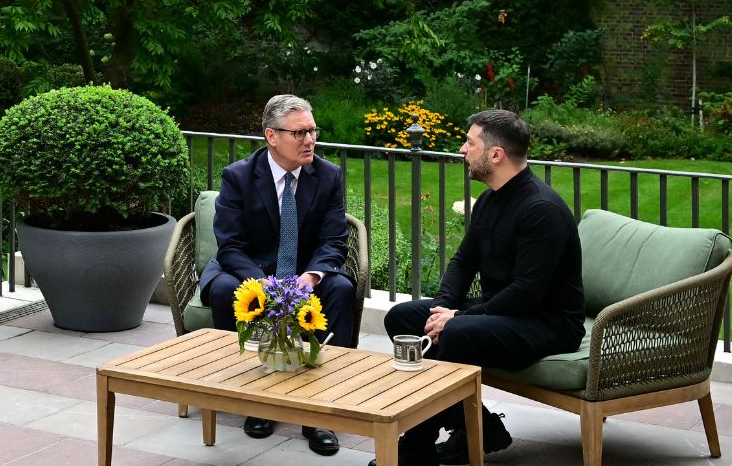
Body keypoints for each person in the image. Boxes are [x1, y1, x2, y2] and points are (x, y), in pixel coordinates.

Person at [372, 109, 585, 466]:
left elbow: (527, 292)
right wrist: (440, 309)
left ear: (495, 154)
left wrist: (456, 316)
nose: (461, 149)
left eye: (470, 143)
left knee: (456, 332)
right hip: (505, 311)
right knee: (403, 318)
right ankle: (481, 430)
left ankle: (417, 446)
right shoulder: (490, 199)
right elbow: (463, 262)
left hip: (548, 323)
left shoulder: (541, 209)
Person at [199, 94, 359, 457]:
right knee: (224, 289)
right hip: (250, 268)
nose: (310, 140)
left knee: (340, 288)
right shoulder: (239, 176)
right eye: (300, 133)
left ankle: (322, 410)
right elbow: (231, 245)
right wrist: (262, 282)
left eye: (313, 131)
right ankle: (253, 401)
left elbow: (334, 239)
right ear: (272, 136)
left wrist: (312, 277)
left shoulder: (328, 175)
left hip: (304, 271)